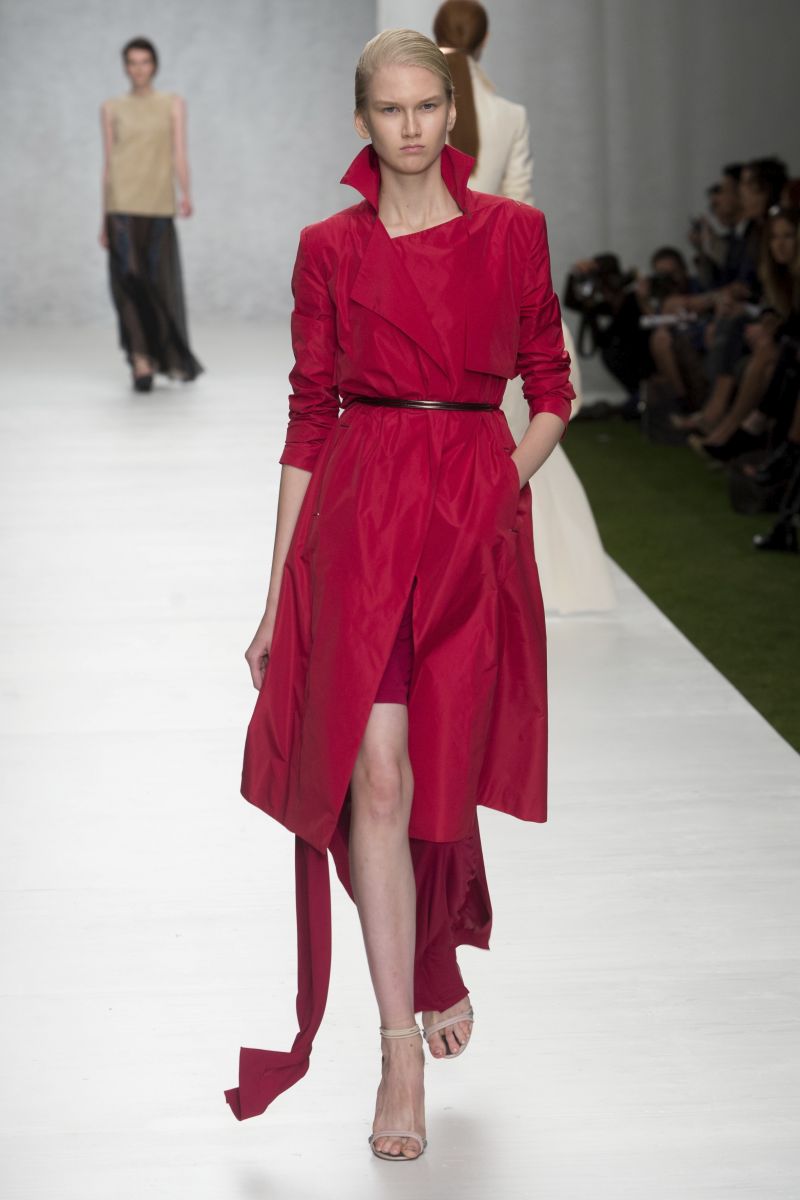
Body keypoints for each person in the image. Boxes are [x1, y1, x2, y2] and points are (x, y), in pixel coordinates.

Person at [224, 30, 574, 1162]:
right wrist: (276, 599)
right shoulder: (327, 248)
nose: (412, 126)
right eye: (390, 108)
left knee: (440, 765)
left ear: (451, 113)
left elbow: (551, 387)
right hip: (363, 525)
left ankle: (433, 955)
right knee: (374, 774)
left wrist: (497, 487)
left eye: (428, 105)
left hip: (468, 525)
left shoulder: (511, 233)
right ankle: (396, 1048)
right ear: (361, 120)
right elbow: (307, 420)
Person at [433, 0, 615, 614]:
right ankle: (541, 572)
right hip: (493, 287)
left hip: (427, 288)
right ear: (485, 43)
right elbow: (521, 209)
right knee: (515, 429)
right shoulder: (509, 114)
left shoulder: (418, 109)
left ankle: (453, 566)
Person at [99, 37, 202, 391]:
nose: (139, 69)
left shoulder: (172, 104)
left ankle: (159, 353)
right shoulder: (111, 108)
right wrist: (103, 217)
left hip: (157, 202)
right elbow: (108, 164)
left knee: (155, 282)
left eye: (144, 62)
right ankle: (140, 359)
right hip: (121, 205)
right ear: (125, 67)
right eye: (132, 62)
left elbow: (179, 153)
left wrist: (186, 193)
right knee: (128, 278)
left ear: (154, 65)